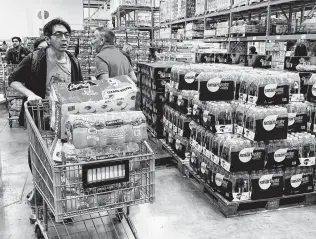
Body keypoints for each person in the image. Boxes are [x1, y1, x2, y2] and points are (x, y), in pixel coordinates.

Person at [8, 18, 83, 209]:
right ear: (48, 38)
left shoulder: (73, 60)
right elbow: (14, 80)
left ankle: (61, 197)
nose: (64, 39)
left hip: (64, 118)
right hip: (40, 117)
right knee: (39, 156)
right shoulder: (35, 58)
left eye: (67, 35)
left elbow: (78, 87)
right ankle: (40, 193)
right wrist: (31, 94)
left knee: (63, 157)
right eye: (58, 35)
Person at [17, 37, 49, 127]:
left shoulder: (57, 63)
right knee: (37, 129)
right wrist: (30, 94)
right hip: (36, 104)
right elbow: (14, 79)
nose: (43, 51)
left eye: (46, 48)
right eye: (40, 48)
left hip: (52, 106)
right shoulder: (31, 60)